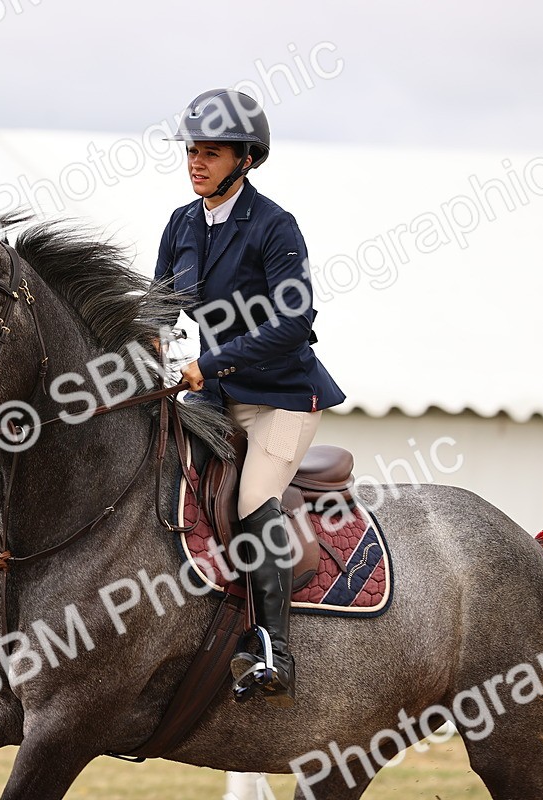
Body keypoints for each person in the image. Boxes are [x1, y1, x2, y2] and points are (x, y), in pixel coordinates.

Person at [153, 89, 345, 706]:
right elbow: (160, 307)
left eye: (211, 152)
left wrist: (206, 362)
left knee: (253, 498)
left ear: (246, 160)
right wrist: (143, 351)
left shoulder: (274, 226)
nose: (196, 162)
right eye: (192, 150)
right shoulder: (182, 224)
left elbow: (294, 321)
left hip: (280, 398)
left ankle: (272, 649)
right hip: (217, 393)